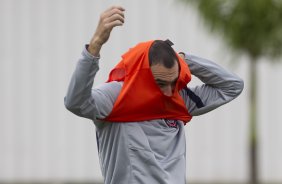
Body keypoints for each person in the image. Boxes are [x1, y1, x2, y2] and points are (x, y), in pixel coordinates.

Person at [64, 6, 244, 184]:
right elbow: (75, 103)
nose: (168, 91)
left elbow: (232, 86)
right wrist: (95, 45)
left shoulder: (178, 98)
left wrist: (184, 59)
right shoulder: (115, 96)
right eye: (160, 83)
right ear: (140, 73)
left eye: (173, 82)